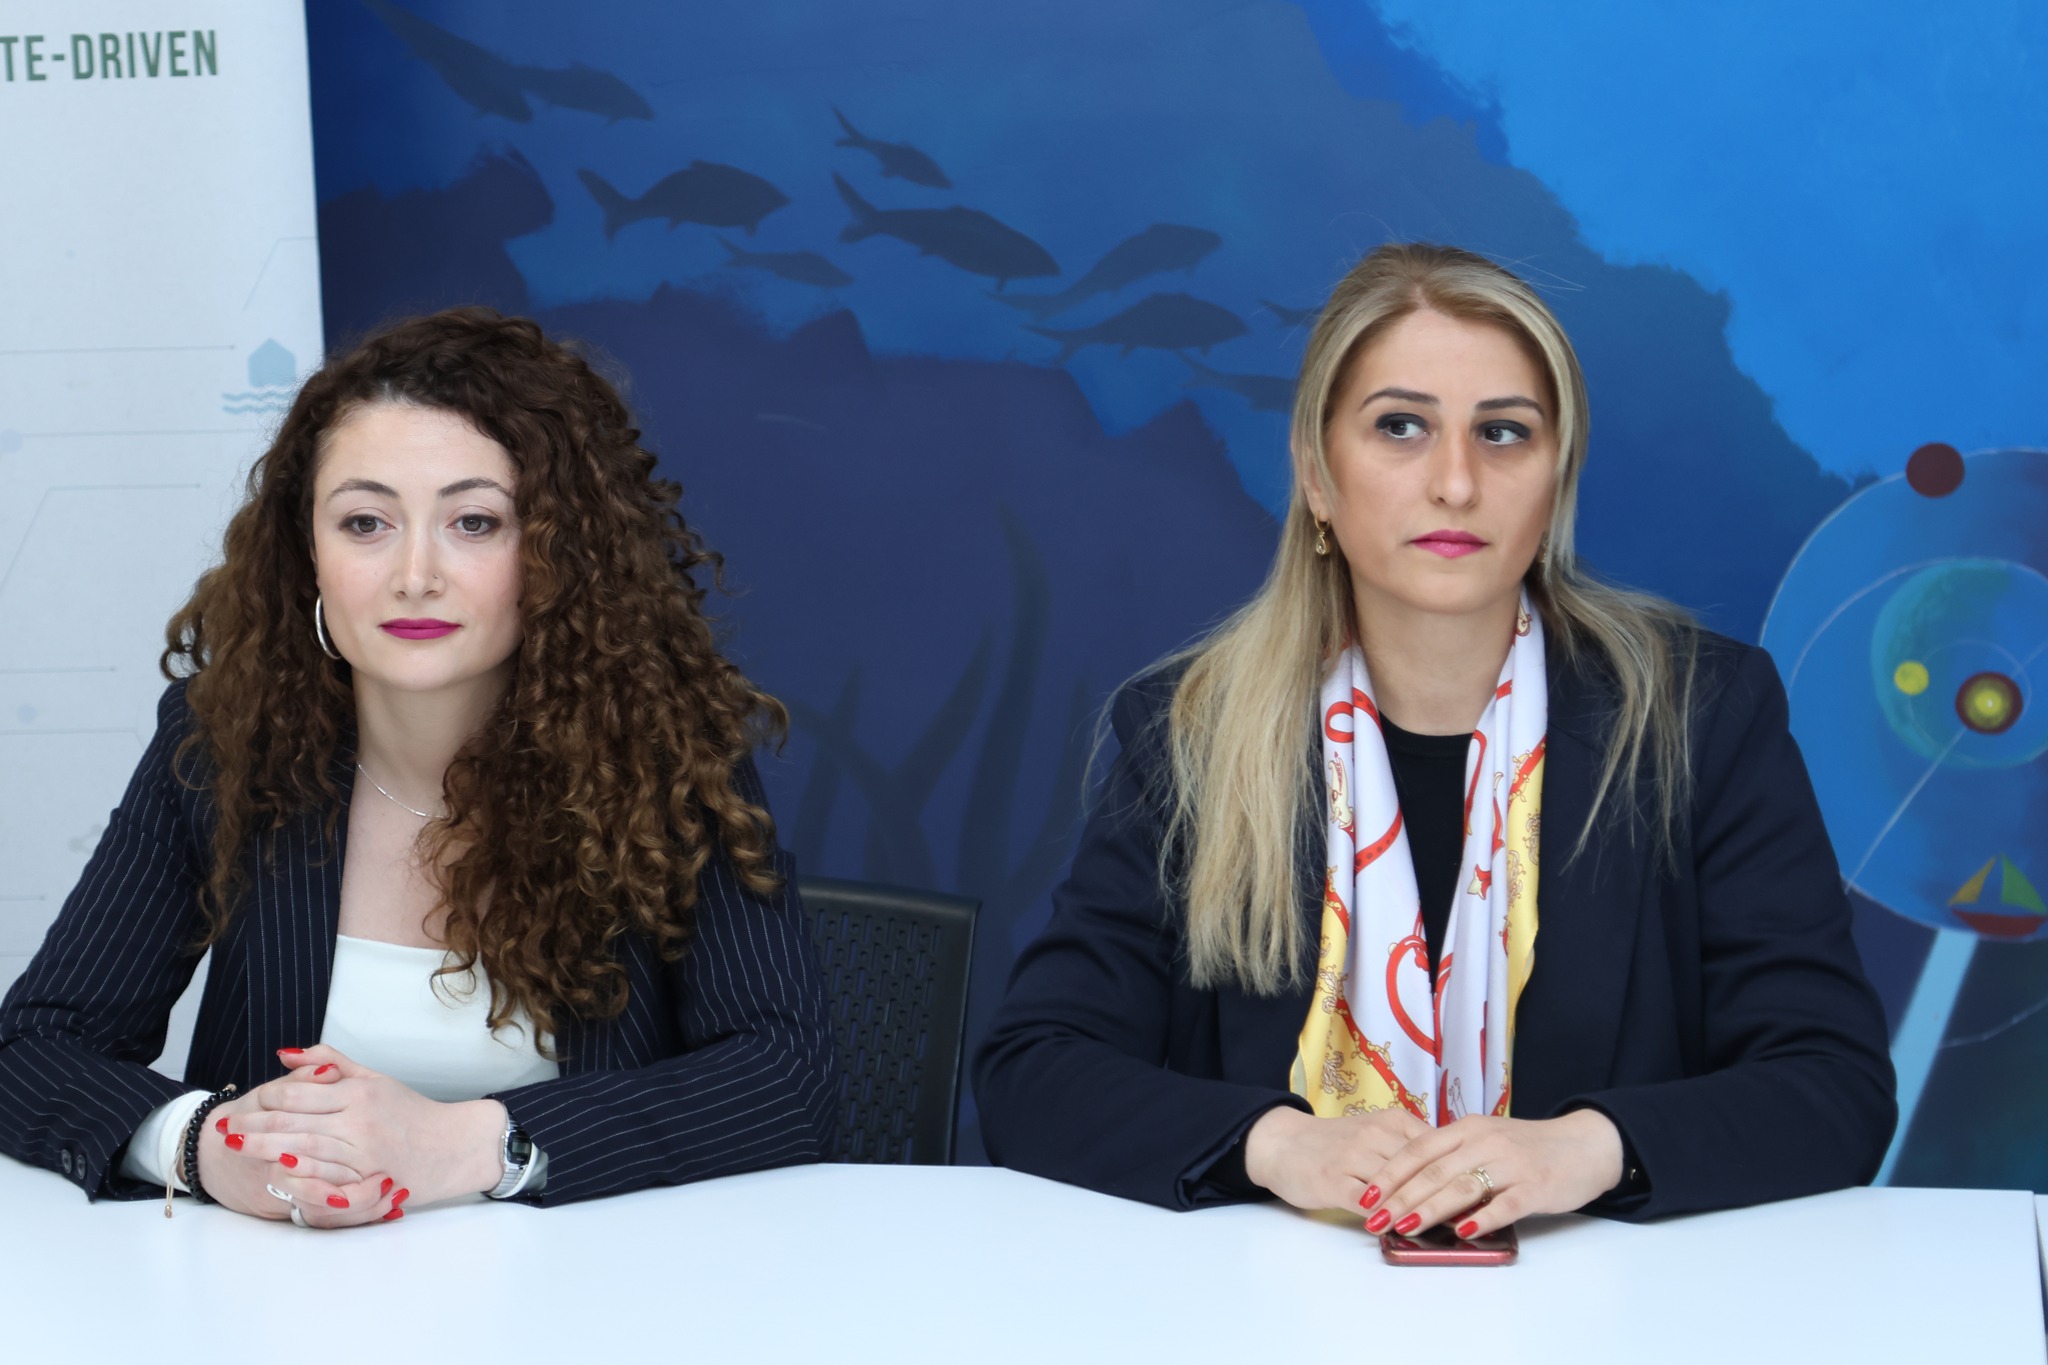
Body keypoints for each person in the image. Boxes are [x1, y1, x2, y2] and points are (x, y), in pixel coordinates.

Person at [973, 244, 1895, 1236]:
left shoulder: (1697, 715)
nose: (1455, 483)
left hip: (1604, 1303)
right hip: (1270, 1302)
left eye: (1503, 432)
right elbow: (1035, 1070)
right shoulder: (1191, 732)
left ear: (1555, 480)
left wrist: (1586, 1148)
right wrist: (1276, 1145)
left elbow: (1832, 1084)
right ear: (1316, 475)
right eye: (1400, 426)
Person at [0, 308, 836, 1227]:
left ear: (558, 552)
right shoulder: (221, 743)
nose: (414, 574)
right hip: (277, 1285)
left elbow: (787, 1078)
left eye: (474, 522)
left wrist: (468, 1144)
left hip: (594, 1285)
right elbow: (33, 1047)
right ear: (309, 554)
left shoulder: (662, 750)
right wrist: (205, 1145)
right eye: (365, 522)